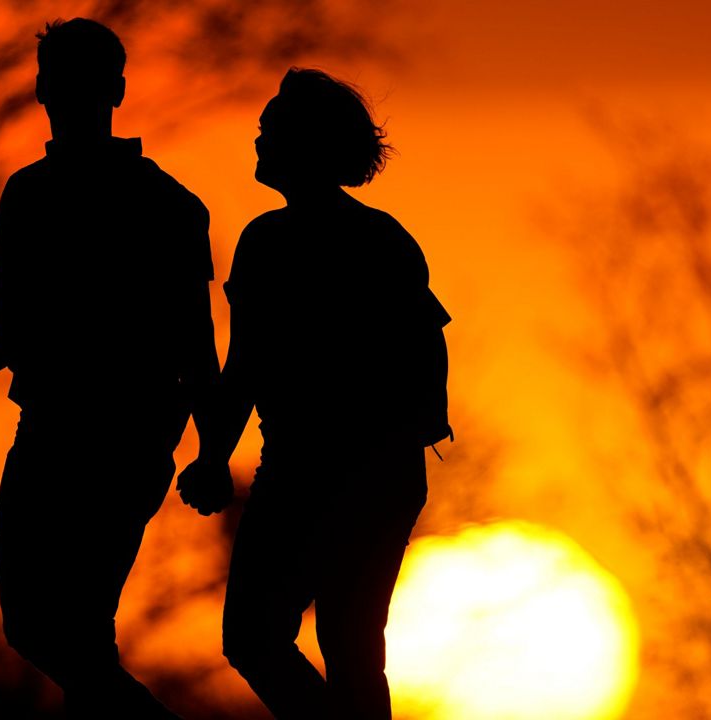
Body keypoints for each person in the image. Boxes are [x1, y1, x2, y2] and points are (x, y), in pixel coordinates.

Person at [179, 68, 452, 720]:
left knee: (264, 638)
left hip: (319, 472)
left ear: (306, 144)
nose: (259, 140)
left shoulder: (272, 242)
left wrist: (215, 456)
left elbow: (244, 364)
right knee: (348, 648)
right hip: (372, 472)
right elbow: (430, 347)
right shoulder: (383, 238)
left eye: (271, 131)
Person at [0, 18, 218, 719]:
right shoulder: (31, 195)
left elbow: (193, 340)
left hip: (124, 437)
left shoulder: (165, 205)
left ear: (114, 89)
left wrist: (213, 447)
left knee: (64, 632)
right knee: (52, 633)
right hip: (54, 428)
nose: (67, 93)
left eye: (80, 78)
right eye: (61, 78)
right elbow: (9, 311)